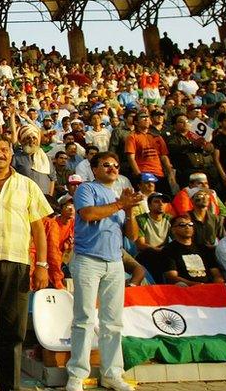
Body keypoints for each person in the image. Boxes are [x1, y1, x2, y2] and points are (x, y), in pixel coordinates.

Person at [0, 133, 51, 391]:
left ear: (11, 153)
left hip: (18, 264)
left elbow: (39, 228)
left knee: (13, 332)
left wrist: (42, 265)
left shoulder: (27, 185)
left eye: (4, 149)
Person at [66, 152, 143, 391]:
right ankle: (77, 375)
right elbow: (88, 214)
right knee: (84, 319)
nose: (112, 168)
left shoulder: (119, 197)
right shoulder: (87, 190)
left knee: (113, 322)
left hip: (115, 262)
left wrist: (128, 210)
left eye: (116, 165)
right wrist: (120, 204)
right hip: (88, 259)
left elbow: (133, 235)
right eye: (106, 165)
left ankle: (112, 373)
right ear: (94, 168)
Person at [161, 214, 224, 286]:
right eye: (182, 225)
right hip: (186, 289)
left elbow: (216, 274)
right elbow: (172, 277)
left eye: (190, 224)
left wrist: (217, 285)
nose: (187, 227)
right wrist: (196, 285)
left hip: (209, 288)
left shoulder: (203, 249)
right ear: (173, 230)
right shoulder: (169, 250)